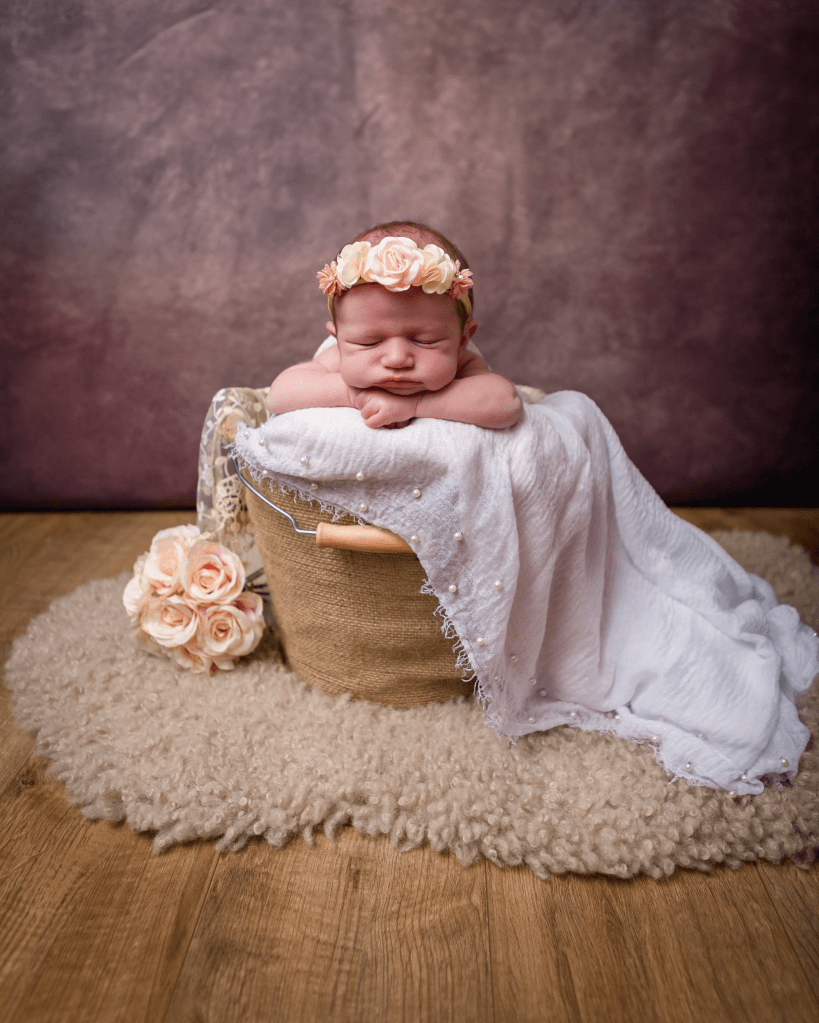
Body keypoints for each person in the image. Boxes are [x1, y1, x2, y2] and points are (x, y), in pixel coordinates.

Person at [265, 222, 523, 430]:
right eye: (370, 342)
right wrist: (356, 396)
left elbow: (506, 404)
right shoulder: (336, 359)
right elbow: (279, 395)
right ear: (338, 339)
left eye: (425, 340)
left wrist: (415, 404)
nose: (398, 359)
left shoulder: (464, 363)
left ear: (462, 340)